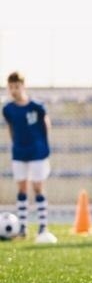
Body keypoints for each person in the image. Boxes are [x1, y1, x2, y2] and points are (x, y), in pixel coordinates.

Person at [2, 72, 56, 243]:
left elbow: (47, 125)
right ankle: (23, 227)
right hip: (19, 153)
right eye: (11, 87)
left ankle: (43, 226)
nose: (14, 90)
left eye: (16, 86)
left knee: (38, 187)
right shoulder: (7, 109)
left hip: (37, 152)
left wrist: (43, 145)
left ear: (23, 86)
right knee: (22, 189)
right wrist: (16, 145)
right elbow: (11, 128)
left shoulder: (37, 107)